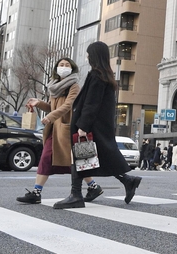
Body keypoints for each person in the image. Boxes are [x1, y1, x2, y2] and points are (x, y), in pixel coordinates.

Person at [53, 41, 141, 209]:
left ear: (94, 55)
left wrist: (83, 126)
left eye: (88, 53)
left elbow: (91, 104)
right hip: (100, 126)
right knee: (100, 158)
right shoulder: (105, 75)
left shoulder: (97, 75)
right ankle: (128, 180)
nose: (87, 57)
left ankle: (76, 195)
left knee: (80, 158)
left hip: (91, 126)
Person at [16, 58, 99, 204]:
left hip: (66, 128)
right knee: (48, 159)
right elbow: (51, 107)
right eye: (61, 65)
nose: (64, 67)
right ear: (56, 68)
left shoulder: (74, 86)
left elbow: (68, 105)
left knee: (74, 161)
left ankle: (93, 186)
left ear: (72, 69)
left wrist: (50, 117)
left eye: (67, 65)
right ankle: (36, 192)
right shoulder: (54, 86)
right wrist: (39, 103)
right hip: (55, 129)